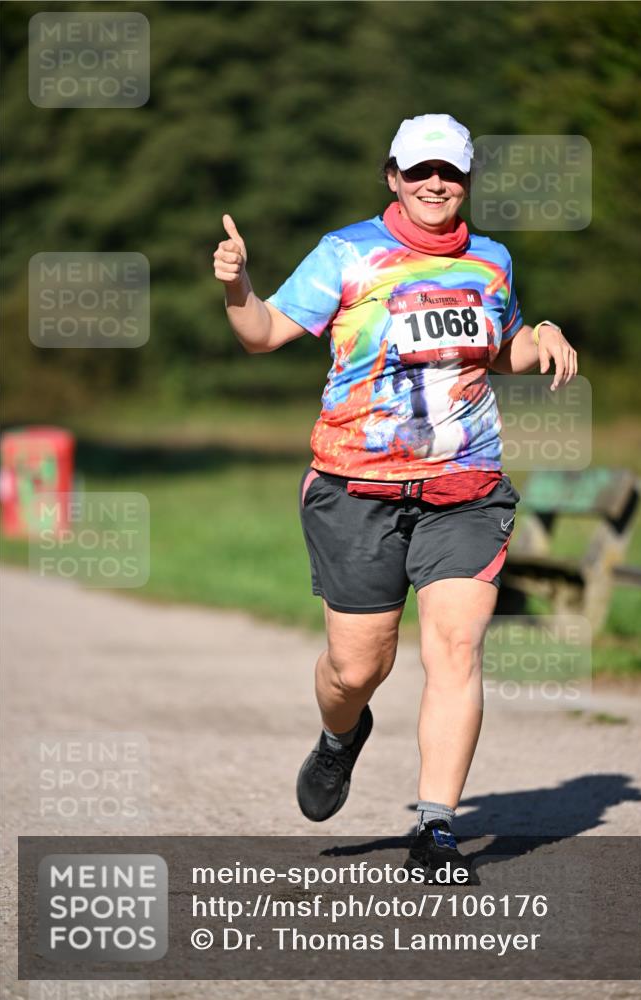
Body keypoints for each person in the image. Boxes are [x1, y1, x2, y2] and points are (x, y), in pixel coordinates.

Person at [214, 113, 577, 881]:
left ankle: (435, 827)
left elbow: (499, 349)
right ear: (393, 178)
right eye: (418, 172)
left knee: (456, 648)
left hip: (465, 488)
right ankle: (340, 734)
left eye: (447, 171)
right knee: (356, 669)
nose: (434, 184)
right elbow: (264, 332)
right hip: (357, 490)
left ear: (466, 178)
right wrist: (237, 285)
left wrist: (540, 331)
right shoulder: (348, 254)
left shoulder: (491, 260)